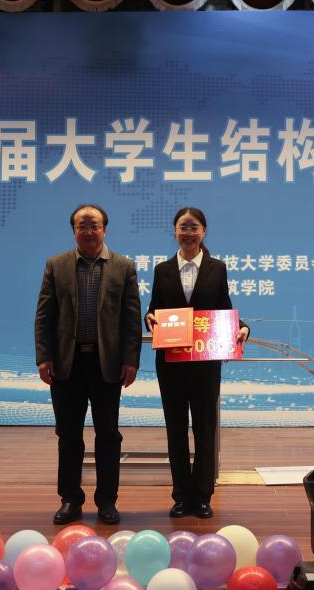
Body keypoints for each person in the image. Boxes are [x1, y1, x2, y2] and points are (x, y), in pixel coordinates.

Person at [35, 203, 142, 525]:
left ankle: (107, 500)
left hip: (106, 363)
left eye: (94, 225)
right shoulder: (57, 265)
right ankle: (70, 499)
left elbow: (131, 319)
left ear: (104, 230)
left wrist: (131, 360)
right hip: (66, 365)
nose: (88, 230)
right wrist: (44, 356)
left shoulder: (123, 267)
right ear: (74, 231)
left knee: (108, 434)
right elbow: (44, 315)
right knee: (68, 434)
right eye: (82, 225)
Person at [145, 207, 249, 519]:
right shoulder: (162, 269)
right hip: (172, 364)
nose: (188, 232)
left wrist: (243, 328)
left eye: (194, 227)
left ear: (203, 232)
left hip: (205, 363)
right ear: (174, 231)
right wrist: (149, 318)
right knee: (175, 430)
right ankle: (181, 496)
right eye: (183, 227)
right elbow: (154, 309)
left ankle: (203, 496)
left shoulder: (217, 268)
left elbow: (224, 309)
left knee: (205, 430)